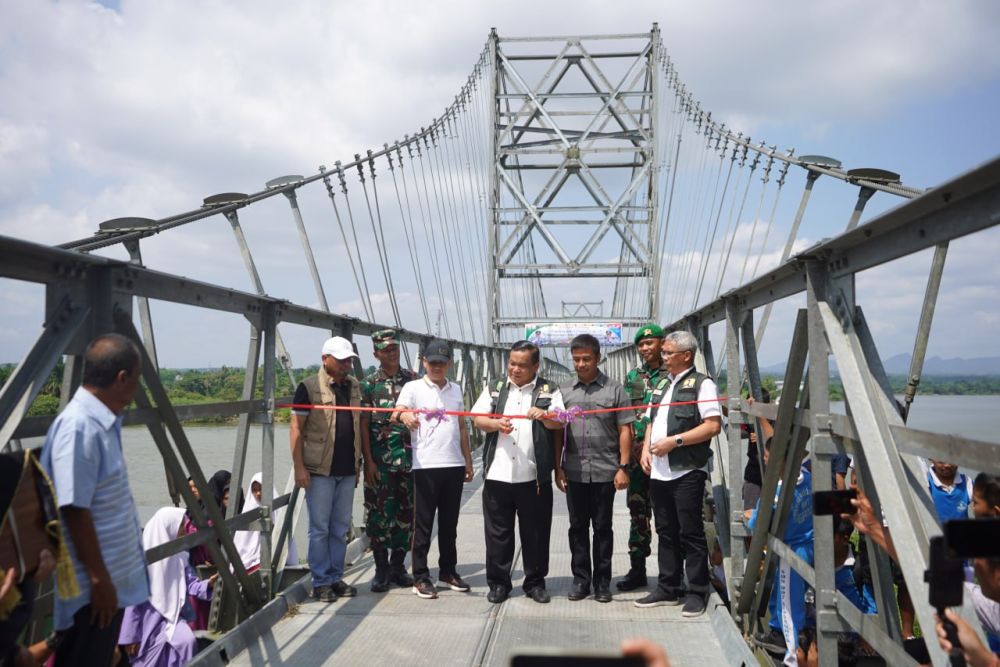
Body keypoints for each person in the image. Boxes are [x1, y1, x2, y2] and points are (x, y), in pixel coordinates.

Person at [40, 333, 149, 667]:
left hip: (106, 587)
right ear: (122, 378)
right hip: (92, 592)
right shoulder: (80, 427)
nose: (135, 391)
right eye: (136, 379)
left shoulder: (101, 423)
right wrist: (100, 579)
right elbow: (74, 508)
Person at [471, 340, 564, 604]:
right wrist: (494, 423)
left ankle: (535, 583)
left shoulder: (550, 389)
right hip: (498, 474)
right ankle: (499, 583)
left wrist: (545, 415)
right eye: (512, 363)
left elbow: (561, 422)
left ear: (536, 366)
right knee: (498, 533)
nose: (515, 369)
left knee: (535, 533)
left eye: (522, 365)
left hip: (533, 477)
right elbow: (477, 418)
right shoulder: (496, 388)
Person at [636, 331, 722, 618]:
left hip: (686, 470)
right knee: (665, 531)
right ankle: (667, 587)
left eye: (668, 353)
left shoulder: (702, 384)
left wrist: (676, 441)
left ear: (686, 355)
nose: (663, 357)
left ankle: (697, 591)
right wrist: (646, 449)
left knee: (690, 532)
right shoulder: (662, 384)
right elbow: (651, 420)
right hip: (659, 472)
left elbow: (712, 426)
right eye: (664, 353)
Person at [556, 333, 634, 603]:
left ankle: (602, 583)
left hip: (605, 470)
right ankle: (581, 581)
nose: (580, 364)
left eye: (586, 359)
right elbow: (557, 433)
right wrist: (559, 468)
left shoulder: (615, 390)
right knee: (577, 527)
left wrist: (623, 467)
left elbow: (626, 430)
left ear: (598, 358)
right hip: (574, 470)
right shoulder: (564, 391)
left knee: (603, 527)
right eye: (576, 359)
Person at [395, 339, 474, 599]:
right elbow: (397, 411)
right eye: (432, 362)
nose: (437, 367)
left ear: (449, 364)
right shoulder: (413, 387)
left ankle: (448, 571)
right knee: (423, 525)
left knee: (450, 523)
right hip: (425, 466)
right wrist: (404, 415)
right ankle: (420, 576)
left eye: (442, 362)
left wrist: (468, 460)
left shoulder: (456, 389)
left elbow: (462, 427)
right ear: (424, 362)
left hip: (453, 464)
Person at [289, 336, 364, 603]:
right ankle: (320, 582)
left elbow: (359, 424)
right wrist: (299, 467)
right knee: (319, 528)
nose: (347, 365)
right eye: (341, 360)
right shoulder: (308, 388)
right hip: (320, 469)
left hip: (347, 469)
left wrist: (361, 463)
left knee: (339, 526)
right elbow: (296, 427)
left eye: (349, 360)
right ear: (325, 359)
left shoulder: (354, 386)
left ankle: (334, 577)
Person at [741, 438, 814, 660]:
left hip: (790, 551)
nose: (764, 458)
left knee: (789, 600)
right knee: (784, 594)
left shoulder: (776, 491)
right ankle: (776, 630)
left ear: (780, 461)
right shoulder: (806, 477)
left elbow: (757, 522)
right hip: (808, 543)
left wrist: (751, 515)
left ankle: (790, 649)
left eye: (767, 456)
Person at [118, 507, 217, 666]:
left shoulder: (180, 557)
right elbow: (133, 605)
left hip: (174, 617)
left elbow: (191, 583)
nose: (184, 532)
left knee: (187, 642)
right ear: (167, 528)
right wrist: (131, 636)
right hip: (147, 622)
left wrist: (208, 584)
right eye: (180, 527)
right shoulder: (142, 563)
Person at [360, 329, 417, 593]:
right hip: (381, 462)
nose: (392, 353)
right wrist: (368, 461)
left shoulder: (413, 380)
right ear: (376, 354)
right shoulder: (369, 383)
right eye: (386, 350)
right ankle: (381, 570)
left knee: (407, 514)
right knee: (379, 516)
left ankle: (398, 567)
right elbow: (362, 423)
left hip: (408, 460)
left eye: (394, 348)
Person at [618, 324, 666, 592]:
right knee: (638, 513)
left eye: (651, 343)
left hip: (664, 453)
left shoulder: (672, 375)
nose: (646, 348)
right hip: (637, 456)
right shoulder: (633, 376)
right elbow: (625, 415)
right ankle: (637, 569)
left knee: (667, 514)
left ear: (662, 343)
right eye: (642, 345)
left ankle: (672, 572)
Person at [233, 473, 299, 573]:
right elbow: (242, 544)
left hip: (273, 560)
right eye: (254, 490)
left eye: (261, 489)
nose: (258, 493)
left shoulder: (278, 512)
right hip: (250, 562)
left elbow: (285, 541)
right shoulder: (248, 511)